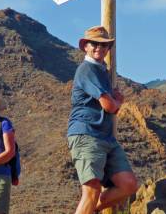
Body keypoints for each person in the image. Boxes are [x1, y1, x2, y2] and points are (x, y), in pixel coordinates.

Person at [67, 26, 138, 214]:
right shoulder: (87, 69)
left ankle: (92, 210)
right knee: (91, 190)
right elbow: (109, 106)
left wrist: (114, 101)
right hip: (87, 134)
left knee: (128, 184)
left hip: (105, 137)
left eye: (104, 45)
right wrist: (118, 101)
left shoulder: (101, 71)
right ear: (86, 47)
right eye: (95, 44)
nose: (99, 48)